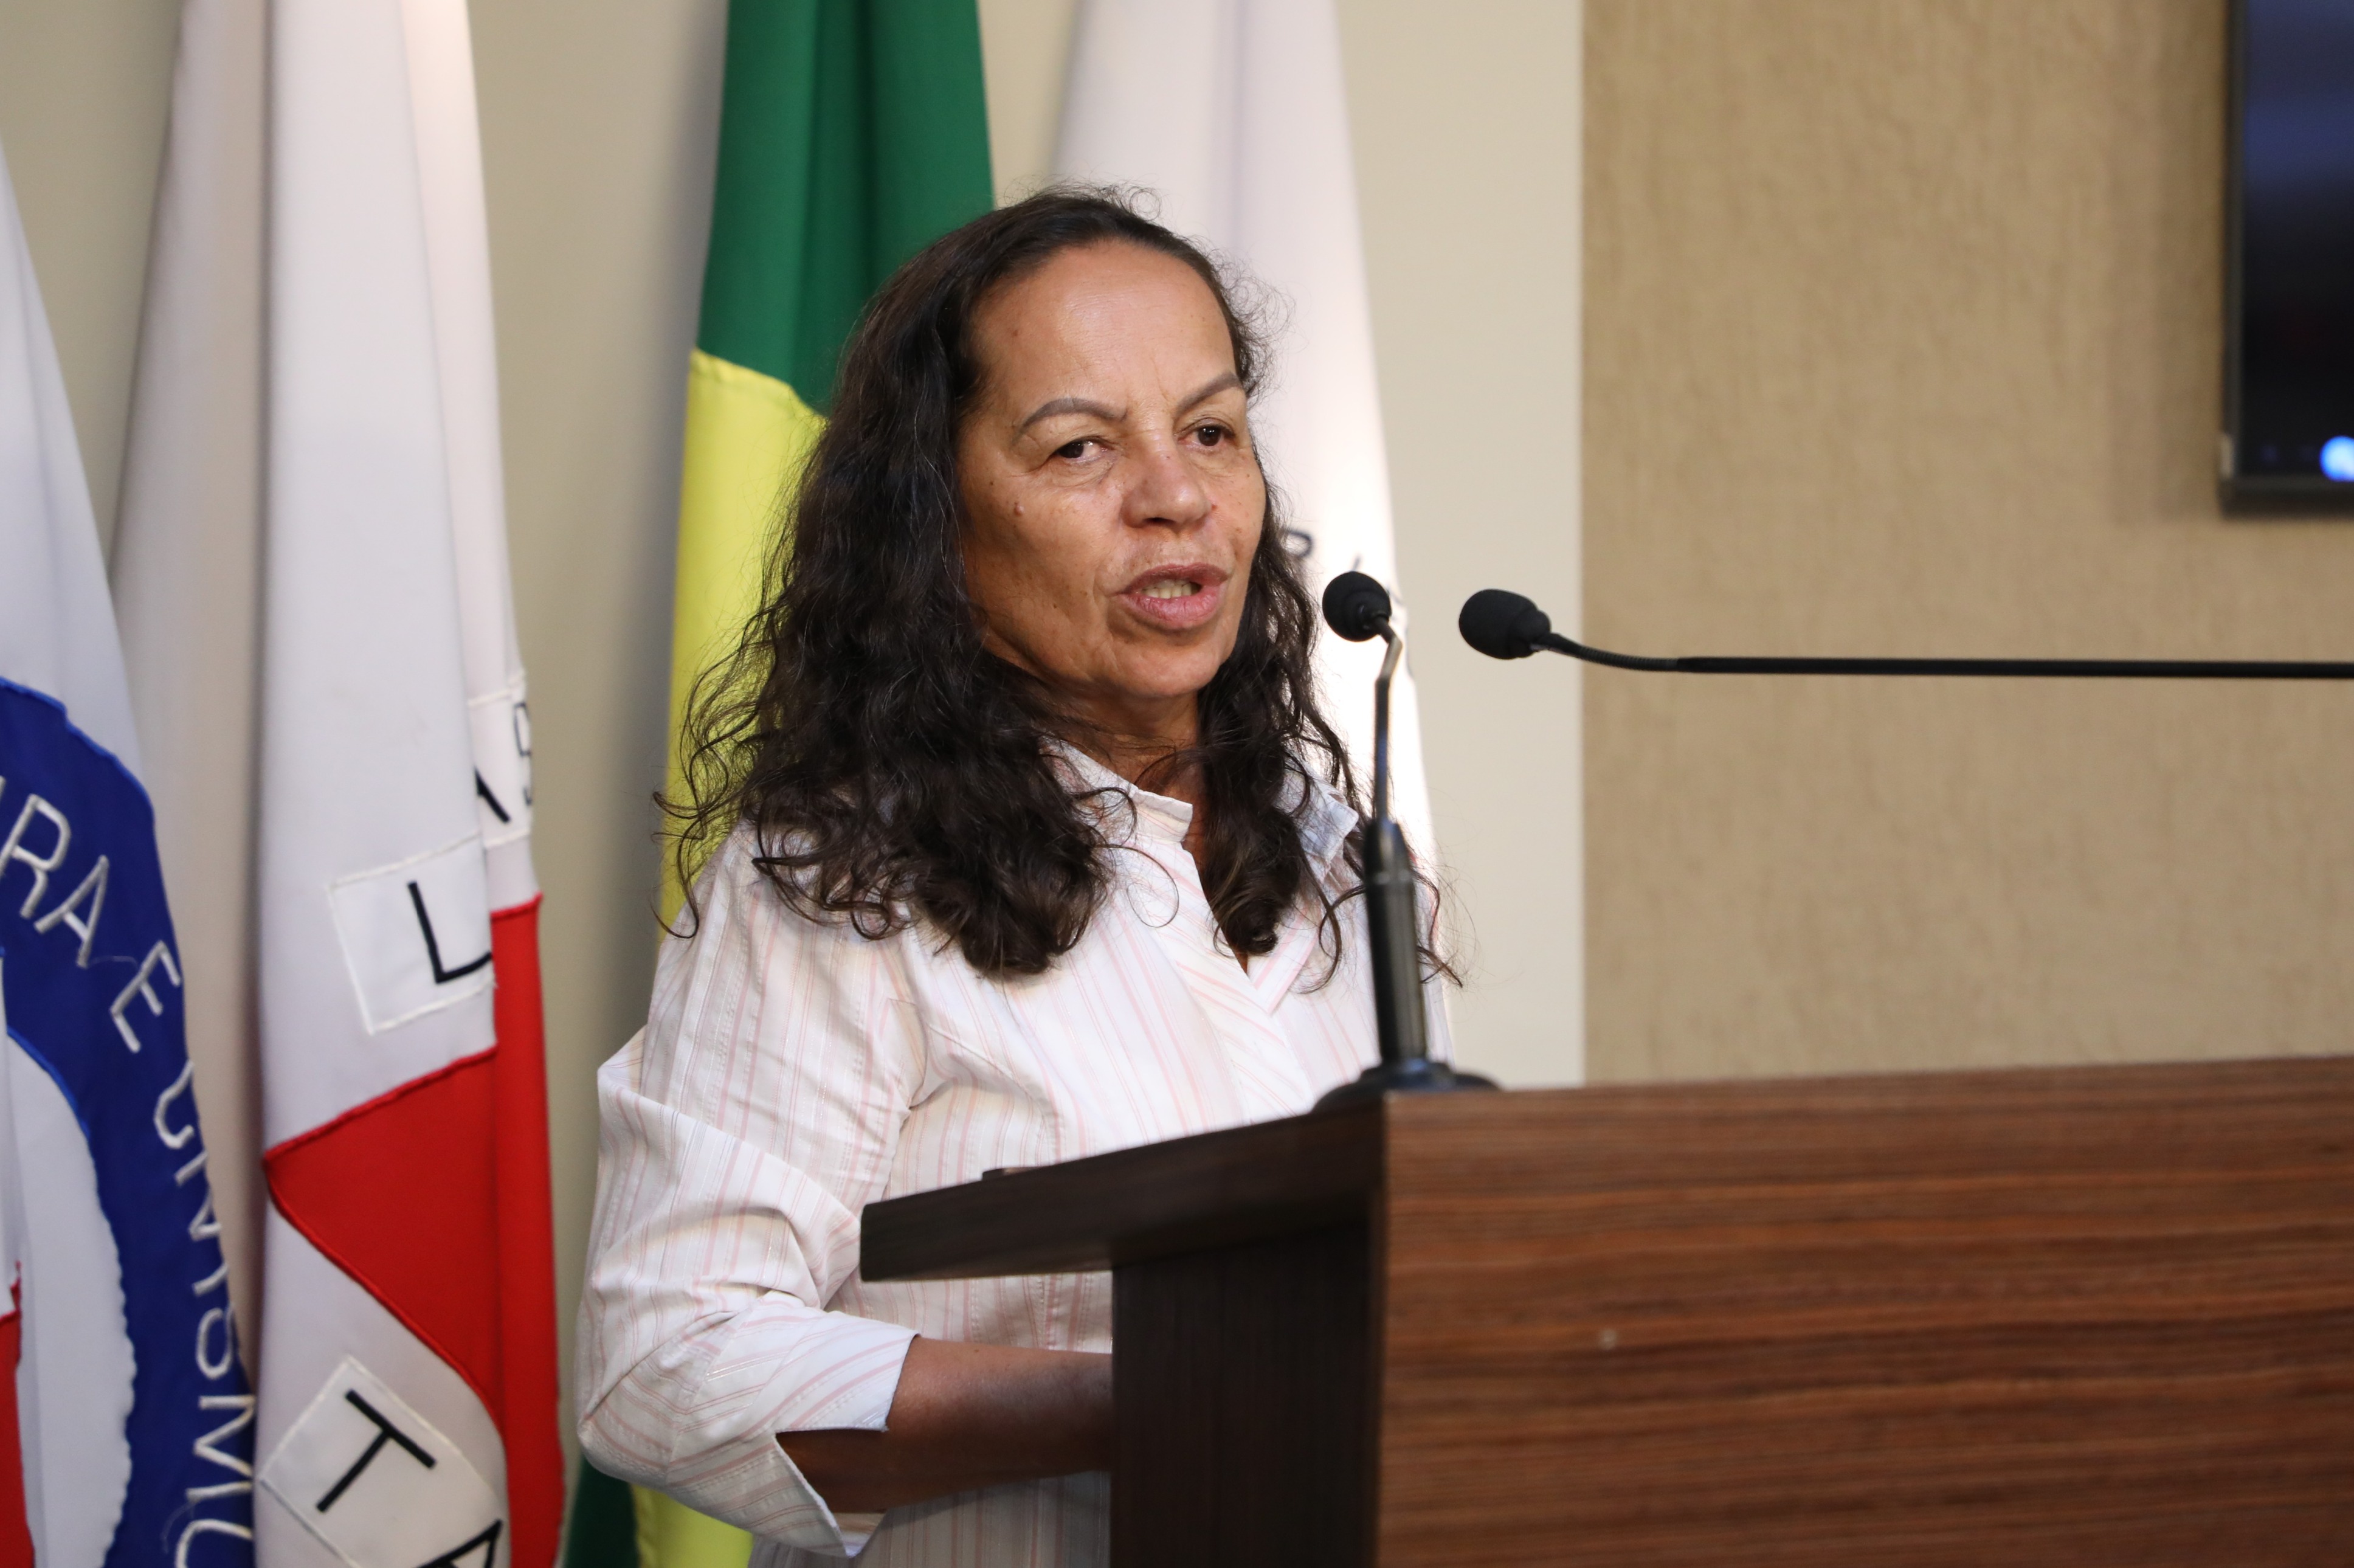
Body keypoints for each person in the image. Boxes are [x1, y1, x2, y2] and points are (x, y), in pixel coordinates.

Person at [576, 188, 1448, 1567]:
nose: (1175, 497)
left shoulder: (1346, 860)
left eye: (1211, 432)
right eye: (1080, 447)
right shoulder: (840, 881)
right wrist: (1156, 1400)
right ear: (938, 525)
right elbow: (664, 1361)